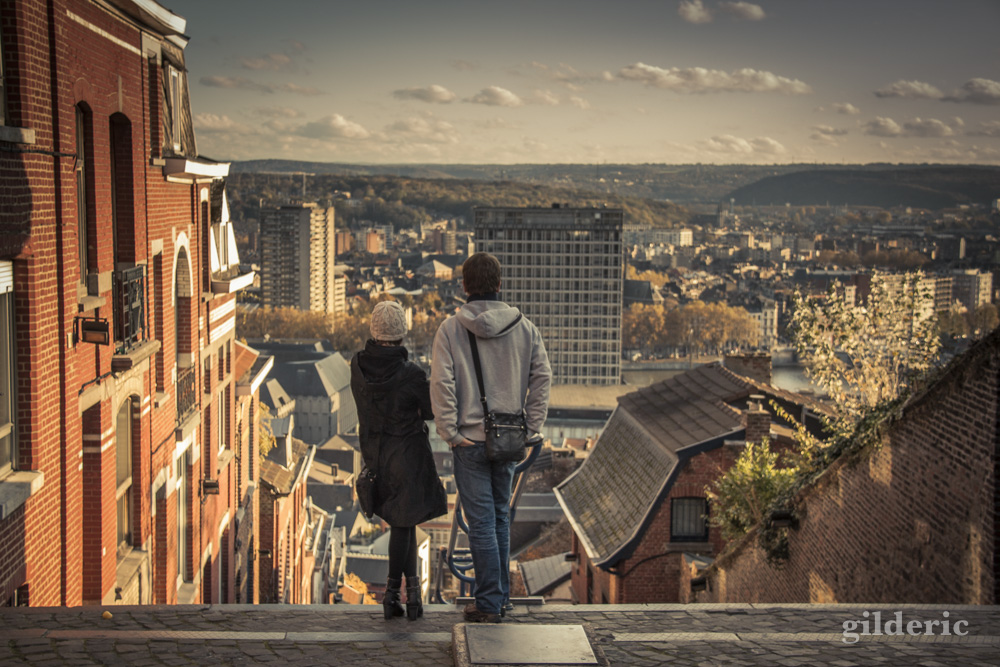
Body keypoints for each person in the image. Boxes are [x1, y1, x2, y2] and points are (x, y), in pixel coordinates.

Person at [430, 252, 551, 623]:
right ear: (500, 284)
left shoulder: (450, 330)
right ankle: (499, 599)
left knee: (481, 523)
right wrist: (531, 427)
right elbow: (542, 377)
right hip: (510, 439)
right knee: (500, 518)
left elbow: (441, 384)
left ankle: (488, 603)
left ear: (465, 286)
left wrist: (450, 432)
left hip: (468, 441)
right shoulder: (525, 328)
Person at [351, 300, 448, 621]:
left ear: (373, 331)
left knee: (402, 523)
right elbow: (432, 410)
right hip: (408, 457)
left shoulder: (357, 367)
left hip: (376, 456)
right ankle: (396, 596)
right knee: (404, 525)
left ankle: (413, 598)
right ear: (402, 334)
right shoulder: (411, 374)